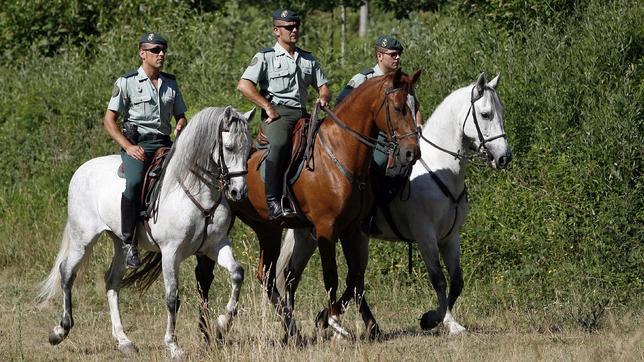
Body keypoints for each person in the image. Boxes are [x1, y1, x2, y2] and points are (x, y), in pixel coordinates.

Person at [103, 33, 187, 268]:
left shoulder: (171, 83)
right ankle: (130, 243)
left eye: (163, 50)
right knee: (134, 183)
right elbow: (109, 121)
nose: (161, 54)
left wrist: (181, 123)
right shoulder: (126, 82)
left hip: (164, 143)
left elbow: (181, 115)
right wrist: (128, 147)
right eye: (155, 50)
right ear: (142, 53)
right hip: (137, 145)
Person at [237, 9, 331, 220]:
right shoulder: (265, 57)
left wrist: (323, 96)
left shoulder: (308, 58)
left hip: (304, 113)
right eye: (288, 27)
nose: (294, 30)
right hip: (279, 114)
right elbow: (244, 85)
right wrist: (267, 107)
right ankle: (273, 200)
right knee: (279, 144)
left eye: (296, 26)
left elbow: (323, 86)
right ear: (276, 31)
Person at [336, 35, 422, 127]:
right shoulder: (364, 79)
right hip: (370, 138)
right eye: (393, 54)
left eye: (399, 54)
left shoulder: (403, 81)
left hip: (400, 137)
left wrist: (418, 125)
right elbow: (340, 106)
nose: (397, 57)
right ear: (380, 56)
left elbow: (415, 109)